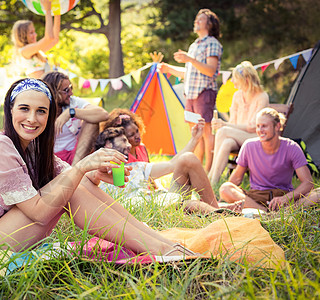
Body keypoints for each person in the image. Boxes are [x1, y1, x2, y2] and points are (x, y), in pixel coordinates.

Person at [0, 78, 195, 263]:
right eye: (24, 109)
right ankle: (158, 249)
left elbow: (79, 182)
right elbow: (40, 213)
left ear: (49, 116)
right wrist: (83, 166)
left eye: (41, 111)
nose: (32, 118)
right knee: (71, 185)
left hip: (0, 233)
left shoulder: (32, 147)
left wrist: (94, 174)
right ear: (10, 111)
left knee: (77, 183)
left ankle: (160, 242)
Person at [95, 121, 239, 214]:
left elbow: (172, 164)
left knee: (187, 159)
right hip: (150, 212)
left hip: (164, 201)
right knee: (192, 205)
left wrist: (195, 139)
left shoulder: (137, 167)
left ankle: (217, 211)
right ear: (108, 145)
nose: (128, 145)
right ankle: (220, 215)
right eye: (124, 140)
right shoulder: (97, 177)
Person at [158, 9, 223, 172]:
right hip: (191, 95)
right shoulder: (194, 45)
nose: (196, 22)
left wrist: (189, 59)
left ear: (209, 24)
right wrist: (169, 69)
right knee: (196, 132)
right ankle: (197, 167)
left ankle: (209, 170)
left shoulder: (213, 43)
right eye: (196, 19)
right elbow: (190, 73)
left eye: (200, 19)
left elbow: (210, 70)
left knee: (207, 132)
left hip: (204, 93)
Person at [219, 108, 314, 212]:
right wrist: (222, 198)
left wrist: (286, 198)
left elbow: (308, 183)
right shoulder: (249, 146)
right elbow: (236, 179)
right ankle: (265, 212)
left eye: (264, 126)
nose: (260, 130)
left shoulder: (292, 147)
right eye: (258, 126)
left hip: (284, 196)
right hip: (256, 197)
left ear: (277, 126)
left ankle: (285, 211)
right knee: (225, 188)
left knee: (319, 194)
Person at [208, 61, 269, 185]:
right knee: (226, 142)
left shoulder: (262, 96)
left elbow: (253, 127)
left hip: (255, 137)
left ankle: (210, 177)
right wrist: (225, 125)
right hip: (238, 137)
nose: (233, 82)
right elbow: (232, 121)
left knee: (223, 130)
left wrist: (224, 125)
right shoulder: (237, 96)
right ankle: (213, 181)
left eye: (236, 79)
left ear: (246, 79)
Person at [42, 71, 108, 165]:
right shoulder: (41, 109)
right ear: (54, 92)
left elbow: (104, 114)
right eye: (66, 90)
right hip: (53, 159)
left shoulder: (72, 102)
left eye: (71, 88)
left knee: (92, 121)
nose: (71, 93)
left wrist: (71, 112)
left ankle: (74, 169)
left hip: (77, 155)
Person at [11, 0, 60, 78]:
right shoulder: (24, 51)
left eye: (34, 32)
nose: (35, 35)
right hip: (37, 88)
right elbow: (49, 38)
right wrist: (48, 10)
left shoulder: (37, 52)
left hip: (45, 86)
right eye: (31, 33)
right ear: (22, 36)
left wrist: (57, 13)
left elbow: (55, 39)